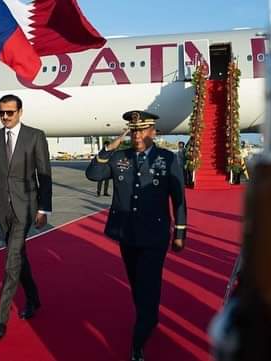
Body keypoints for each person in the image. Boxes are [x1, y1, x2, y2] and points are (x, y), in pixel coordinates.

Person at [85, 110, 187, 361]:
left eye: (142, 130)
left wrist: (180, 232)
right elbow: (93, 175)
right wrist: (109, 148)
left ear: (153, 131)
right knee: (136, 283)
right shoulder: (120, 157)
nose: (137, 135)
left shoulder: (167, 158)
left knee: (149, 284)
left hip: (155, 235)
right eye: (133, 130)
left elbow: (179, 198)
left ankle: (139, 339)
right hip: (127, 233)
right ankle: (148, 315)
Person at [0, 94, 52, 340]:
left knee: (12, 259)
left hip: (26, 206)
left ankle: (0, 320)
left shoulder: (35, 136)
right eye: (1, 112)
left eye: (9, 113)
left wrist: (44, 209)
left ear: (20, 112)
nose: (5, 117)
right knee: (19, 256)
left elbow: (44, 175)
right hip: (3, 207)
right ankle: (34, 298)